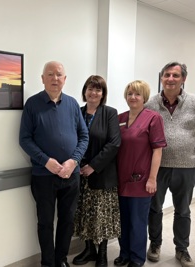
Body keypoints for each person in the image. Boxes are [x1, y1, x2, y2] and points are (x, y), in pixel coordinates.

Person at [19, 61, 89, 267]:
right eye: (50, 74)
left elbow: (84, 136)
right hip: (43, 176)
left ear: (65, 79)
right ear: (42, 79)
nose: (55, 78)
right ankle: (48, 262)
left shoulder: (73, 104)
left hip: (71, 175)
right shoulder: (32, 104)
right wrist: (46, 161)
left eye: (59, 75)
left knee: (67, 221)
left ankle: (61, 260)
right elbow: (24, 139)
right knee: (45, 222)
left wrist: (73, 161)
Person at [146, 62, 195, 267]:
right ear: (161, 78)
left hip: (186, 167)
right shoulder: (150, 104)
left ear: (183, 79)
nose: (170, 79)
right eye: (167, 75)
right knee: (154, 209)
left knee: (182, 210)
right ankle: (155, 244)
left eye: (175, 75)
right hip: (158, 167)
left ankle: (181, 249)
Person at [115, 80, 166, 267]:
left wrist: (152, 178)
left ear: (144, 97)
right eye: (129, 94)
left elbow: (157, 151)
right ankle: (125, 253)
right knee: (123, 221)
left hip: (141, 180)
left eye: (137, 94)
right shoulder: (119, 118)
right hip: (120, 179)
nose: (133, 97)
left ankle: (136, 258)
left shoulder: (153, 118)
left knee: (137, 223)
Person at [72, 75, 121, 267]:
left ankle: (102, 253)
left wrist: (92, 166)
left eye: (98, 89)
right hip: (79, 174)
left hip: (101, 174)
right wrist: (78, 165)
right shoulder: (77, 112)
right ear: (84, 91)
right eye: (90, 89)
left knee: (101, 216)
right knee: (85, 214)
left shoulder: (109, 113)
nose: (93, 92)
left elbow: (114, 144)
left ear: (103, 94)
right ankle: (89, 250)